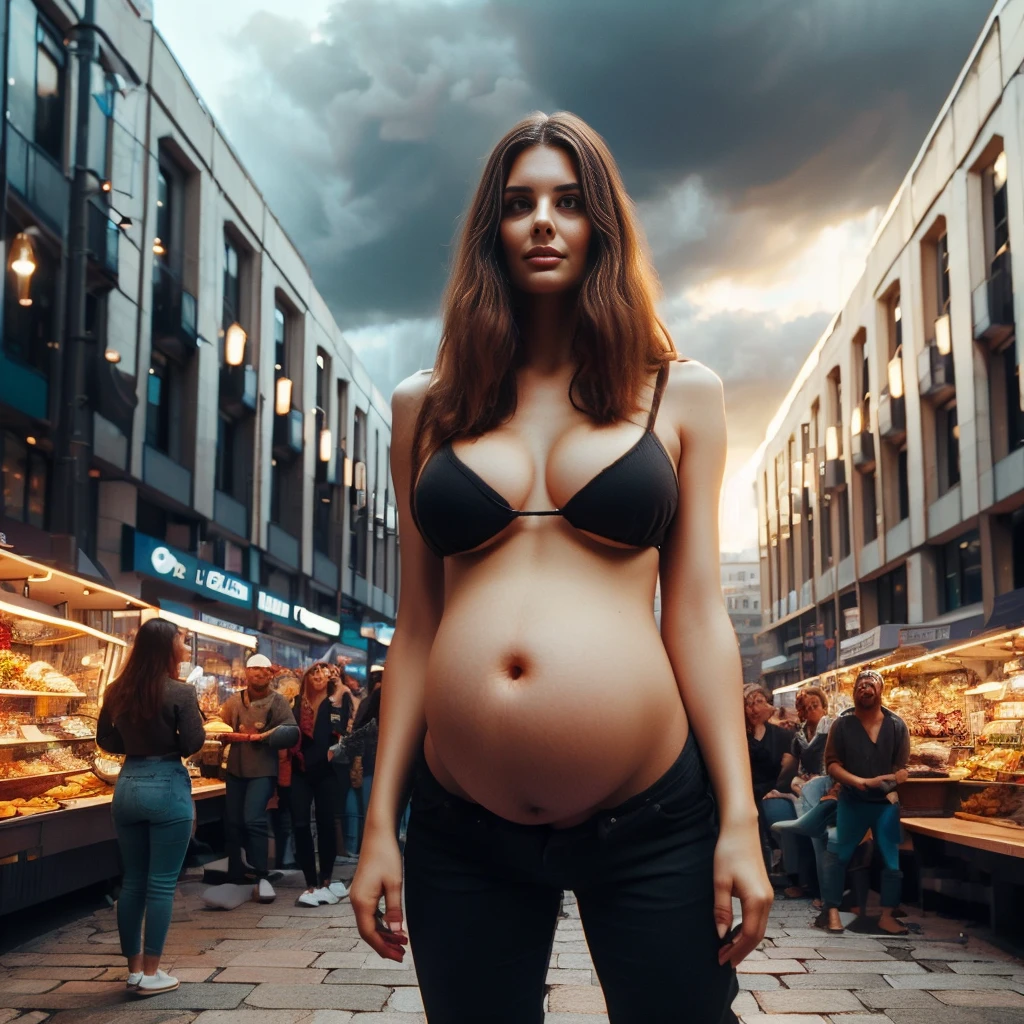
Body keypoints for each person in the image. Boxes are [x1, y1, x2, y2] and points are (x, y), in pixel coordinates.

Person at [349, 111, 771, 1024]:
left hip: (650, 818)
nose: (543, 220)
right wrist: (381, 822)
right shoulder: (424, 407)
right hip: (461, 830)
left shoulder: (679, 391)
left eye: (569, 201)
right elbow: (416, 626)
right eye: (520, 202)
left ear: (601, 227)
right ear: (490, 231)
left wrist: (740, 815)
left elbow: (696, 616)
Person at [97, 618, 205, 996]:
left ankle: (132, 970)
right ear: (167, 647)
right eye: (183, 639)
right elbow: (192, 743)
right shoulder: (181, 691)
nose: (186, 645)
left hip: (126, 786)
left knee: (133, 883)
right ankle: (152, 972)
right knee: (160, 885)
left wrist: (136, 744)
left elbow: (106, 741)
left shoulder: (116, 690)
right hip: (167, 785)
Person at [821, 669, 910, 935]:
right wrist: (858, 781)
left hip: (884, 804)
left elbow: (900, 768)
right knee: (839, 855)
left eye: (871, 684)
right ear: (854, 691)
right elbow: (832, 763)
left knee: (892, 862)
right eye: (861, 684)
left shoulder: (897, 725)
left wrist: (893, 781)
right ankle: (833, 911)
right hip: (852, 801)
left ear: (881, 690)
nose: (865, 688)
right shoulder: (842, 724)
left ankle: (887, 915)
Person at [217, 653, 299, 901]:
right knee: (232, 822)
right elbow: (219, 726)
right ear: (246, 673)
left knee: (254, 820)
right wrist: (222, 735)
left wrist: (268, 737)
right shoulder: (233, 702)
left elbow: (292, 731)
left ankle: (261, 872)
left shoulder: (278, 702)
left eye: (264, 670)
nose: (259, 674)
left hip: (263, 769)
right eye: (254, 670)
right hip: (235, 769)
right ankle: (237, 871)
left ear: (270, 674)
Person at [288, 662, 350, 906]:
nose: (317, 676)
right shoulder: (294, 703)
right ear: (305, 677)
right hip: (299, 770)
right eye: (313, 671)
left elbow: (342, 729)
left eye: (322, 672)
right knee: (300, 824)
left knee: (326, 823)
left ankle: (326, 879)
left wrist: (339, 688)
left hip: (327, 771)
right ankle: (310, 882)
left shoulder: (336, 701)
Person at [761, 687, 832, 899]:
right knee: (796, 828)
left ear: (824, 707)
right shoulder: (799, 736)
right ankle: (803, 880)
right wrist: (792, 787)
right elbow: (796, 769)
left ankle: (823, 889)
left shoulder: (832, 729)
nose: (810, 711)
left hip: (829, 787)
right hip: (803, 788)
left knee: (819, 835)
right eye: (805, 707)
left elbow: (834, 761)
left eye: (815, 706)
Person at [328, 669, 357, 860]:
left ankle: (339, 850)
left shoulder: (346, 698)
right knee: (333, 808)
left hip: (340, 760)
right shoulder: (323, 702)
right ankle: (337, 850)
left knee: (337, 807)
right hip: (329, 761)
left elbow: (350, 724)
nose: (332, 676)